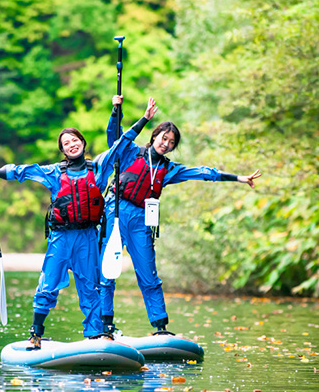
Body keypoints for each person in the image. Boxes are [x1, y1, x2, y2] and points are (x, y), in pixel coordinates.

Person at [99, 95, 261, 336]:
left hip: (142, 219)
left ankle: (160, 327)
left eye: (171, 142)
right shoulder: (129, 151)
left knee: (148, 273)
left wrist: (238, 178)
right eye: (163, 138)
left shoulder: (169, 169)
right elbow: (115, 135)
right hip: (116, 211)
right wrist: (117, 109)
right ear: (154, 137)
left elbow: (204, 173)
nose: (166, 144)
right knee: (107, 270)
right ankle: (105, 325)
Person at [0, 128, 108, 349]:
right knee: (48, 285)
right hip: (61, 238)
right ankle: (36, 333)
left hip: (87, 236)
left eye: (75, 140)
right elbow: (23, 171)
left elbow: (119, 146)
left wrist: (126, 114)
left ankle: (95, 335)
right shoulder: (55, 172)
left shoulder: (97, 169)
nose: (72, 144)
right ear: (63, 150)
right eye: (66, 143)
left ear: (83, 142)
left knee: (91, 287)